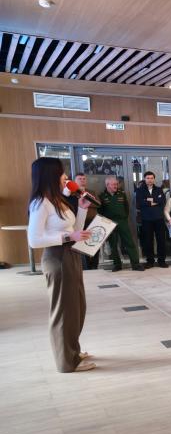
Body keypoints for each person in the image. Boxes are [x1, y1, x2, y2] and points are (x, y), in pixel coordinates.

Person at [27, 157, 95, 372]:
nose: (66, 177)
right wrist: (67, 237)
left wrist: (82, 209)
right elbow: (34, 240)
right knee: (64, 311)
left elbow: (75, 230)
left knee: (77, 308)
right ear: (51, 175)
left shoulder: (57, 199)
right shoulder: (40, 203)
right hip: (57, 258)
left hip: (70, 254)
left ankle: (72, 350)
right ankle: (67, 362)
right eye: (62, 173)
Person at [97, 176, 143, 272]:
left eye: (116, 184)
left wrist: (124, 217)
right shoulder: (102, 196)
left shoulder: (121, 194)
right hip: (109, 222)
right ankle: (117, 265)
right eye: (113, 184)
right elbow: (100, 210)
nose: (116, 186)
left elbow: (126, 208)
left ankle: (136, 264)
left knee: (129, 242)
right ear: (107, 185)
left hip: (122, 221)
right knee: (113, 245)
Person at [135, 171, 167, 268]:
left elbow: (162, 201)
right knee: (148, 241)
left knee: (161, 240)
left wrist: (148, 201)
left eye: (151, 178)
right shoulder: (140, 190)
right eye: (148, 178)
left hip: (159, 218)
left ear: (154, 179)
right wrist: (154, 201)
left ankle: (161, 261)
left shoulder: (159, 189)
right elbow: (140, 203)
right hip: (146, 219)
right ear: (145, 179)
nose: (150, 180)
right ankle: (150, 261)